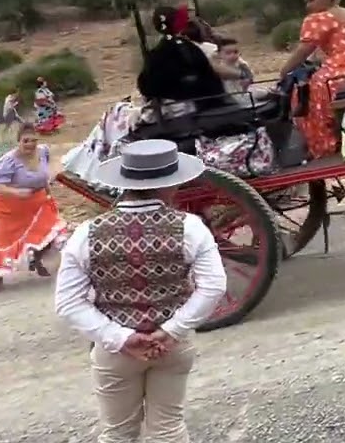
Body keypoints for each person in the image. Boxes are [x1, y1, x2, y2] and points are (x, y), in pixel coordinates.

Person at [55, 138, 226, 443]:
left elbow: (68, 303)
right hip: (171, 347)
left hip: (115, 352)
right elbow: (213, 287)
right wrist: (172, 330)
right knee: (169, 429)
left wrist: (120, 338)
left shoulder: (86, 234)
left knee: (118, 434)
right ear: (170, 185)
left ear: (124, 182)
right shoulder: (190, 227)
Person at [278, 0, 345, 159]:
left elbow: (304, 51)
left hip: (343, 69)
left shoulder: (321, 18)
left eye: (312, 0)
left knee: (305, 92)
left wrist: (284, 71)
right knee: (317, 81)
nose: (308, 6)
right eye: (306, 2)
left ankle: (324, 145)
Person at [0, 124, 68, 292]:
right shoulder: (9, 161)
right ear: (19, 141)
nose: (30, 144)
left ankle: (36, 260)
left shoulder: (43, 151)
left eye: (33, 140)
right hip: (10, 206)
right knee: (5, 242)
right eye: (26, 141)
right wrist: (17, 192)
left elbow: (44, 177)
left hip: (37, 201)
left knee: (51, 232)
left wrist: (48, 194)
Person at [214, 37, 256, 104]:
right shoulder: (221, 69)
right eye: (228, 53)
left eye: (235, 52)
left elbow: (250, 76)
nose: (233, 55)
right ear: (219, 54)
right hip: (230, 96)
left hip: (245, 92)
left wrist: (248, 79)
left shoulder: (241, 64)